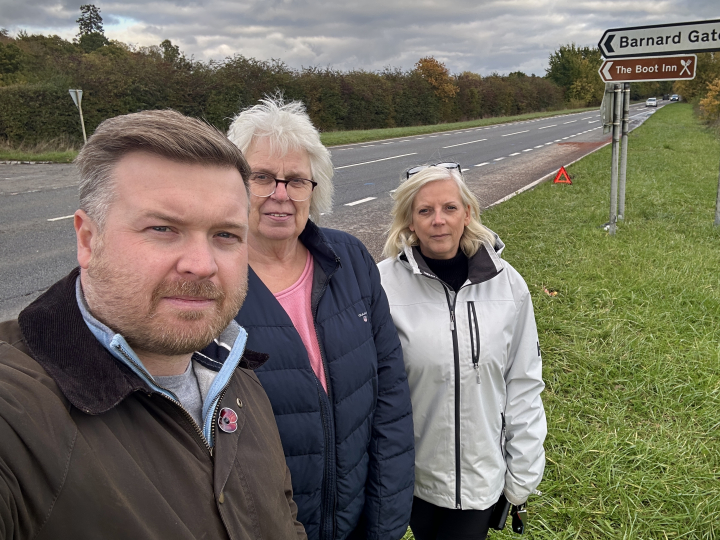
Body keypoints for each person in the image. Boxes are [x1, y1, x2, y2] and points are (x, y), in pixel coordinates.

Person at [0, 110, 306, 539]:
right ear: (88, 239)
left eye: (225, 235)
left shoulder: (234, 377)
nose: (202, 265)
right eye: (163, 228)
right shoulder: (16, 409)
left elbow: (282, 516)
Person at [204, 97, 415, 540]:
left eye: (297, 180)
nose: (281, 194)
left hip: (357, 521)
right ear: (233, 185)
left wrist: (384, 526)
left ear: (314, 189)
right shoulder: (208, 279)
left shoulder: (350, 258)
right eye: (261, 177)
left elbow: (390, 398)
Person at [377, 164, 547, 540]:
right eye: (425, 211)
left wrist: (523, 472)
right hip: (412, 476)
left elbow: (523, 383)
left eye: (449, 208)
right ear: (409, 220)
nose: (438, 221)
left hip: (481, 478)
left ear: (467, 213)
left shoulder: (509, 285)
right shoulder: (381, 286)